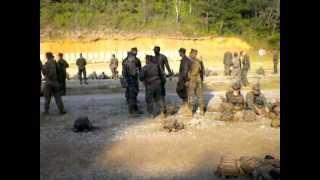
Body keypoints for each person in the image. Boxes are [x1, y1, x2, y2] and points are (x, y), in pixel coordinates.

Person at [122, 48, 142, 116]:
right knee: (132, 95)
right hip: (131, 79)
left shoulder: (127, 60)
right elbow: (132, 72)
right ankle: (132, 111)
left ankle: (135, 109)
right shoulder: (131, 61)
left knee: (133, 94)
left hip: (131, 79)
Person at [187, 49, 205, 115]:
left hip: (192, 79)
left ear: (191, 53)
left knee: (191, 95)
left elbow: (186, 72)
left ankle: (190, 111)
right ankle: (202, 110)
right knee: (200, 95)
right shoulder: (199, 61)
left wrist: (186, 80)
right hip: (199, 79)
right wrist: (202, 80)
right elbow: (202, 71)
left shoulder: (188, 61)